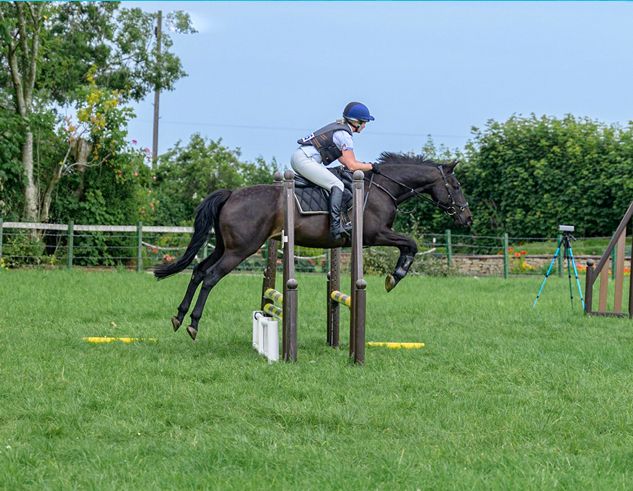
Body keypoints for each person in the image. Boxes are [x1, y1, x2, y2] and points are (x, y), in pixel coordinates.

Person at [291, 102, 380, 240]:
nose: (365, 126)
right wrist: (371, 167)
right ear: (356, 122)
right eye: (364, 122)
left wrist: (364, 165)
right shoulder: (344, 136)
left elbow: (344, 160)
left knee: (332, 181)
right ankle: (336, 226)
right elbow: (352, 165)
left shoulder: (339, 128)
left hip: (300, 157)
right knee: (337, 185)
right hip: (305, 160)